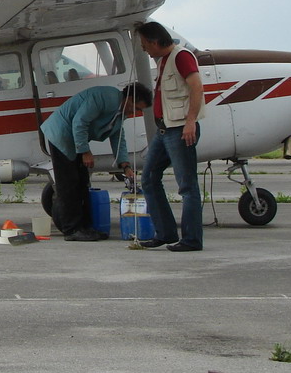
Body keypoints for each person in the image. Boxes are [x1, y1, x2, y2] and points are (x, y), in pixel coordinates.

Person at [40, 83, 152, 241]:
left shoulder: (120, 112)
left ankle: (85, 227)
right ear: (130, 99)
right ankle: (71, 230)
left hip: (74, 138)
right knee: (69, 183)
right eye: (137, 108)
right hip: (62, 134)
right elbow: (79, 122)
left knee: (83, 182)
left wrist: (124, 165)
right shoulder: (105, 98)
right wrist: (85, 151)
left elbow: (118, 138)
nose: (136, 113)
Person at [137, 21, 206, 251]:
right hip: (165, 129)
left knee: (187, 186)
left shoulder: (181, 57)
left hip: (179, 129)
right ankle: (165, 233)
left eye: (145, 44)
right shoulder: (164, 60)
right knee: (148, 178)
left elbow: (196, 87)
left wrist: (190, 122)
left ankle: (191, 239)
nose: (144, 49)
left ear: (155, 42)